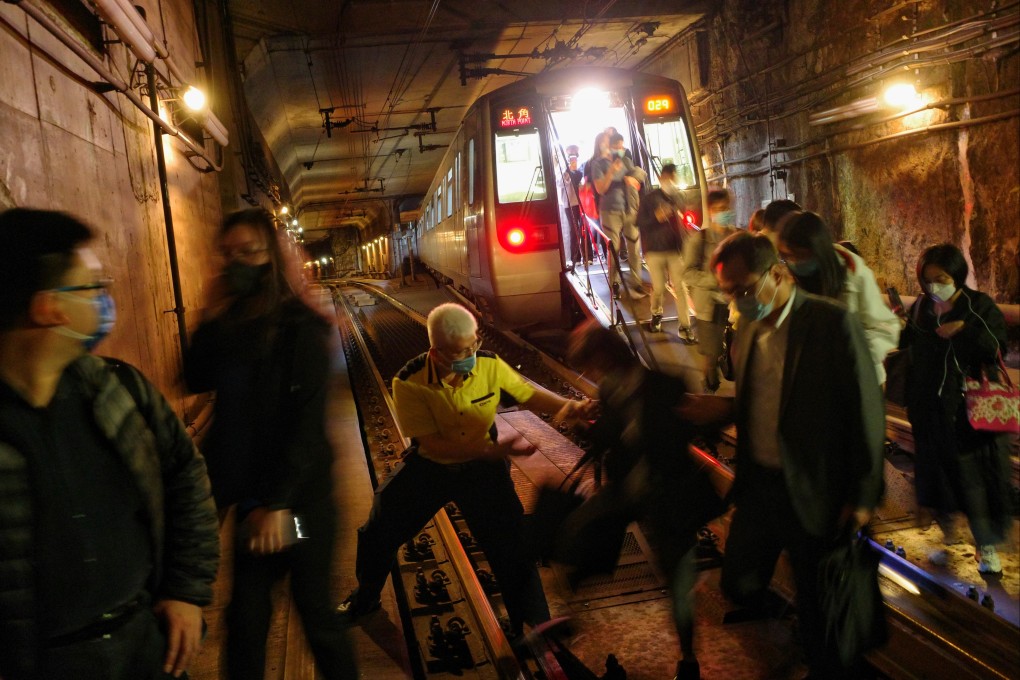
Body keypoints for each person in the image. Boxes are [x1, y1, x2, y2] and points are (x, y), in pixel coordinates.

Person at [0, 208, 219, 680]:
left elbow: (184, 475)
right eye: (92, 287)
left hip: (147, 644)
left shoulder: (119, 390)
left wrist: (185, 591)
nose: (103, 300)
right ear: (49, 308)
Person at [681, 231, 886, 678]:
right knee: (739, 580)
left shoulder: (831, 323)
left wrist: (863, 493)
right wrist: (719, 409)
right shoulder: (749, 327)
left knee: (818, 596)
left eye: (743, 289)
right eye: (728, 292)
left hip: (812, 483)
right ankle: (799, 638)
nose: (736, 301)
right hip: (762, 484)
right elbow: (760, 397)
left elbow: (865, 408)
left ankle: (822, 659)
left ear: (777, 273)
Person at [339, 303, 592, 639]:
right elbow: (433, 444)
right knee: (378, 528)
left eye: (474, 344)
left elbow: (527, 393)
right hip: (433, 467)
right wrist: (491, 450)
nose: (471, 354)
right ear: (436, 353)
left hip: (483, 471)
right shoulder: (409, 381)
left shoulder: (488, 364)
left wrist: (570, 407)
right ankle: (366, 597)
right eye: (461, 351)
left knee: (512, 547)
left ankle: (533, 625)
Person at [183, 208, 357, 679]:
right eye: (228, 254)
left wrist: (279, 505)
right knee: (245, 620)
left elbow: (306, 426)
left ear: (272, 259)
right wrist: (209, 313)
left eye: (249, 252)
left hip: (298, 510)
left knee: (315, 613)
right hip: (253, 504)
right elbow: (194, 376)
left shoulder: (301, 328)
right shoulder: (231, 325)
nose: (237, 263)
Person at [567, 321, 724, 680]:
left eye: (592, 366)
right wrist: (583, 424)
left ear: (606, 358)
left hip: (670, 495)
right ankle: (573, 610)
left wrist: (709, 413)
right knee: (577, 531)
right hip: (628, 491)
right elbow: (608, 438)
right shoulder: (610, 390)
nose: (592, 374)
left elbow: (687, 433)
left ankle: (688, 660)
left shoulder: (667, 385)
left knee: (678, 580)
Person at [898, 244, 1011, 574]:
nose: (934, 286)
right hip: (930, 410)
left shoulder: (978, 305)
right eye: (928, 279)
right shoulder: (923, 306)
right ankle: (949, 536)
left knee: (974, 481)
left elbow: (996, 345)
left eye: (942, 279)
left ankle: (986, 547)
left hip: (968, 413)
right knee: (938, 477)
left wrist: (962, 330)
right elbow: (910, 348)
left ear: (957, 276)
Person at [777, 211, 900, 384]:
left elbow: (884, 327)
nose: (795, 262)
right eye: (788, 257)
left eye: (801, 255)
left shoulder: (855, 276)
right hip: (810, 380)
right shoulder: (785, 280)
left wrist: (852, 356)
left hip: (856, 379)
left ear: (818, 250)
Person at [682, 188, 737, 391]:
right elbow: (687, 273)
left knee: (734, 353)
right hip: (709, 306)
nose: (725, 213)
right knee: (711, 356)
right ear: (711, 210)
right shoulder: (700, 239)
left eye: (727, 208)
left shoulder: (735, 236)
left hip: (733, 305)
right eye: (720, 209)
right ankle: (709, 389)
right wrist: (713, 279)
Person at [635, 164, 695, 342]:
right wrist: (656, 217)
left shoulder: (678, 197)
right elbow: (639, 223)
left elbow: (684, 216)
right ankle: (656, 313)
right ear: (661, 178)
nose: (671, 182)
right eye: (668, 178)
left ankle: (685, 327)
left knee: (680, 288)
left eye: (674, 178)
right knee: (659, 287)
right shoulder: (649, 198)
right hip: (655, 250)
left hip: (674, 249)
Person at [593, 132, 647, 300]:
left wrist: (632, 179)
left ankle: (636, 283)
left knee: (634, 248)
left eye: (621, 146)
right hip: (610, 212)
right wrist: (611, 171)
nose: (619, 149)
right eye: (615, 146)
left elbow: (639, 177)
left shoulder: (626, 161)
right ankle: (615, 283)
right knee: (614, 249)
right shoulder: (598, 164)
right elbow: (600, 189)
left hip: (630, 209)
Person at [562, 145, 592, 266]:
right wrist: (568, 171)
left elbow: (585, 183)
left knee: (585, 227)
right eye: (570, 154)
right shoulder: (562, 167)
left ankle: (589, 256)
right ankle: (576, 257)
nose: (573, 156)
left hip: (582, 202)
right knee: (573, 230)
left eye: (575, 153)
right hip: (569, 203)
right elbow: (560, 184)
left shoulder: (582, 165)